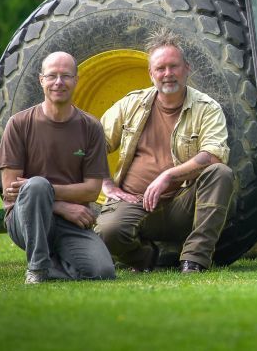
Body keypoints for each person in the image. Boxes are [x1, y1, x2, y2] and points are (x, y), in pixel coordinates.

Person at [95, 32, 236, 274]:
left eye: (174, 66)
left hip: (182, 204)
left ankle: (194, 260)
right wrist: (106, 184)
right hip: (134, 202)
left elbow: (214, 154)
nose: (168, 74)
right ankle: (145, 258)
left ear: (187, 68)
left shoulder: (207, 108)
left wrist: (168, 176)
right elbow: (91, 145)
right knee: (108, 231)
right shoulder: (131, 104)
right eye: (160, 68)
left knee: (221, 173)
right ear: (151, 74)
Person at [0, 51, 115, 284]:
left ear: (76, 80)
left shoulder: (91, 127)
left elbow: (91, 190)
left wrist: (44, 193)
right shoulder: (19, 124)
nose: (58, 82)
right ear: (41, 80)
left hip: (71, 222)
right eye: (52, 76)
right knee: (37, 185)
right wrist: (59, 205)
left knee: (103, 271)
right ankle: (37, 269)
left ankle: (53, 266)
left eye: (66, 76)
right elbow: (11, 188)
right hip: (25, 219)